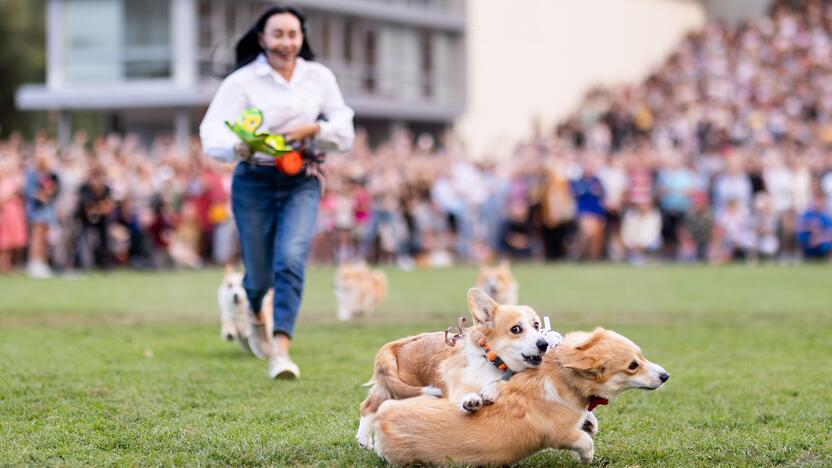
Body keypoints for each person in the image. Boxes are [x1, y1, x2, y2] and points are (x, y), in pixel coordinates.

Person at [200, 5, 354, 379]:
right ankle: (253, 305)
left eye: (293, 34)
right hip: (253, 180)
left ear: (302, 38)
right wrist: (239, 148)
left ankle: (281, 350)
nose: (286, 42)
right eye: (278, 34)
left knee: (290, 259)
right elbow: (212, 133)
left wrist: (313, 130)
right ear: (262, 38)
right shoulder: (242, 82)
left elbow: (344, 128)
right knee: (259, 273)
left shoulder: (318, 77)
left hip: (302, 178)